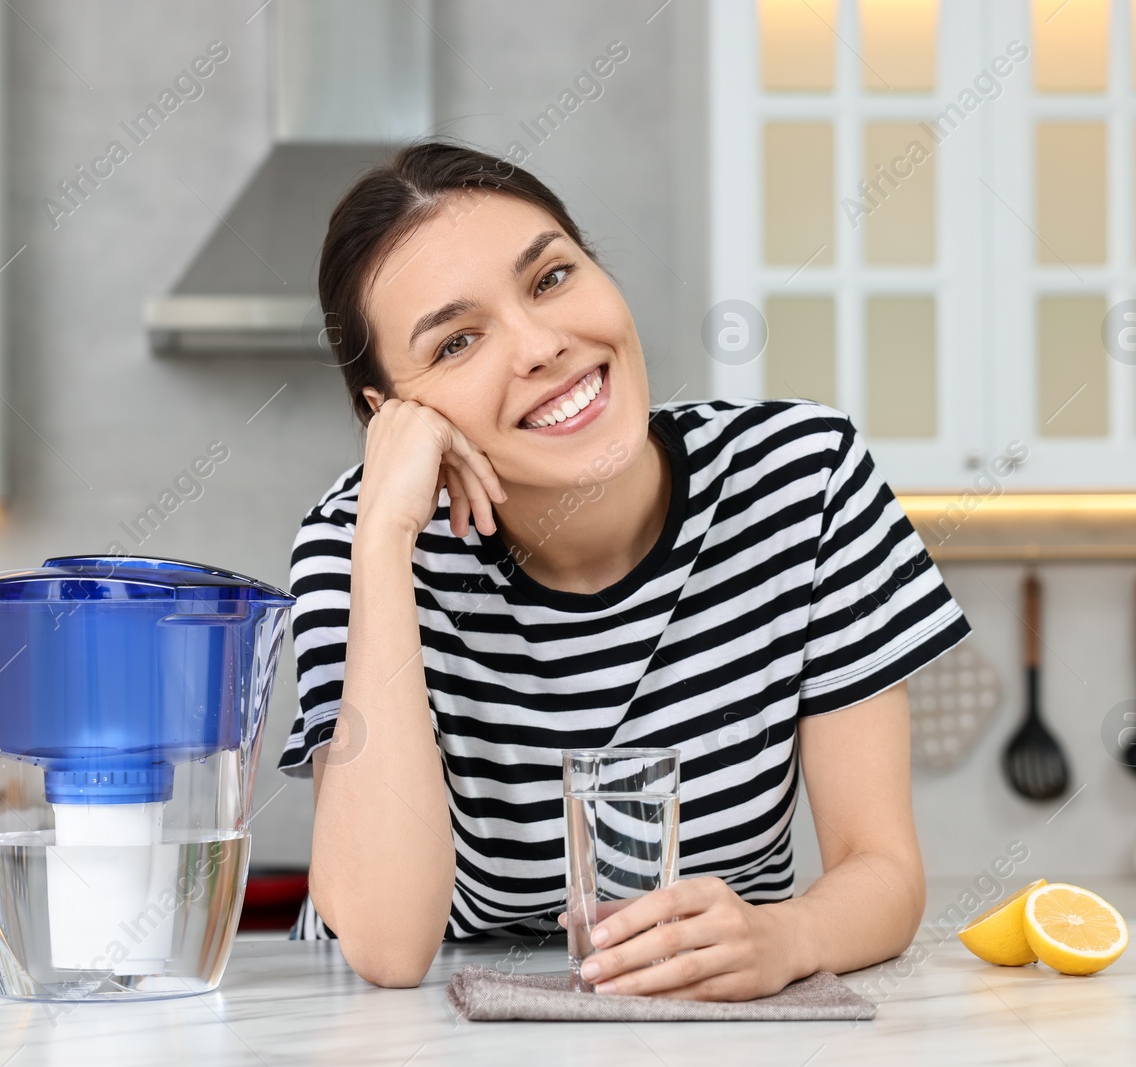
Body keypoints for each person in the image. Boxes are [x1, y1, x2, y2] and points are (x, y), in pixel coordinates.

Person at [276, 141, 972, 1000]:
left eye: (551, 279)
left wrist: (784, 934)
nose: (539, 345)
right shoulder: (355, 545)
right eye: (457, 342)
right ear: (393, 418)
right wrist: (383, 534)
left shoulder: (803, 480)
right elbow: (386, 947)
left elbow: (885, 871)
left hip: (698, 1027)